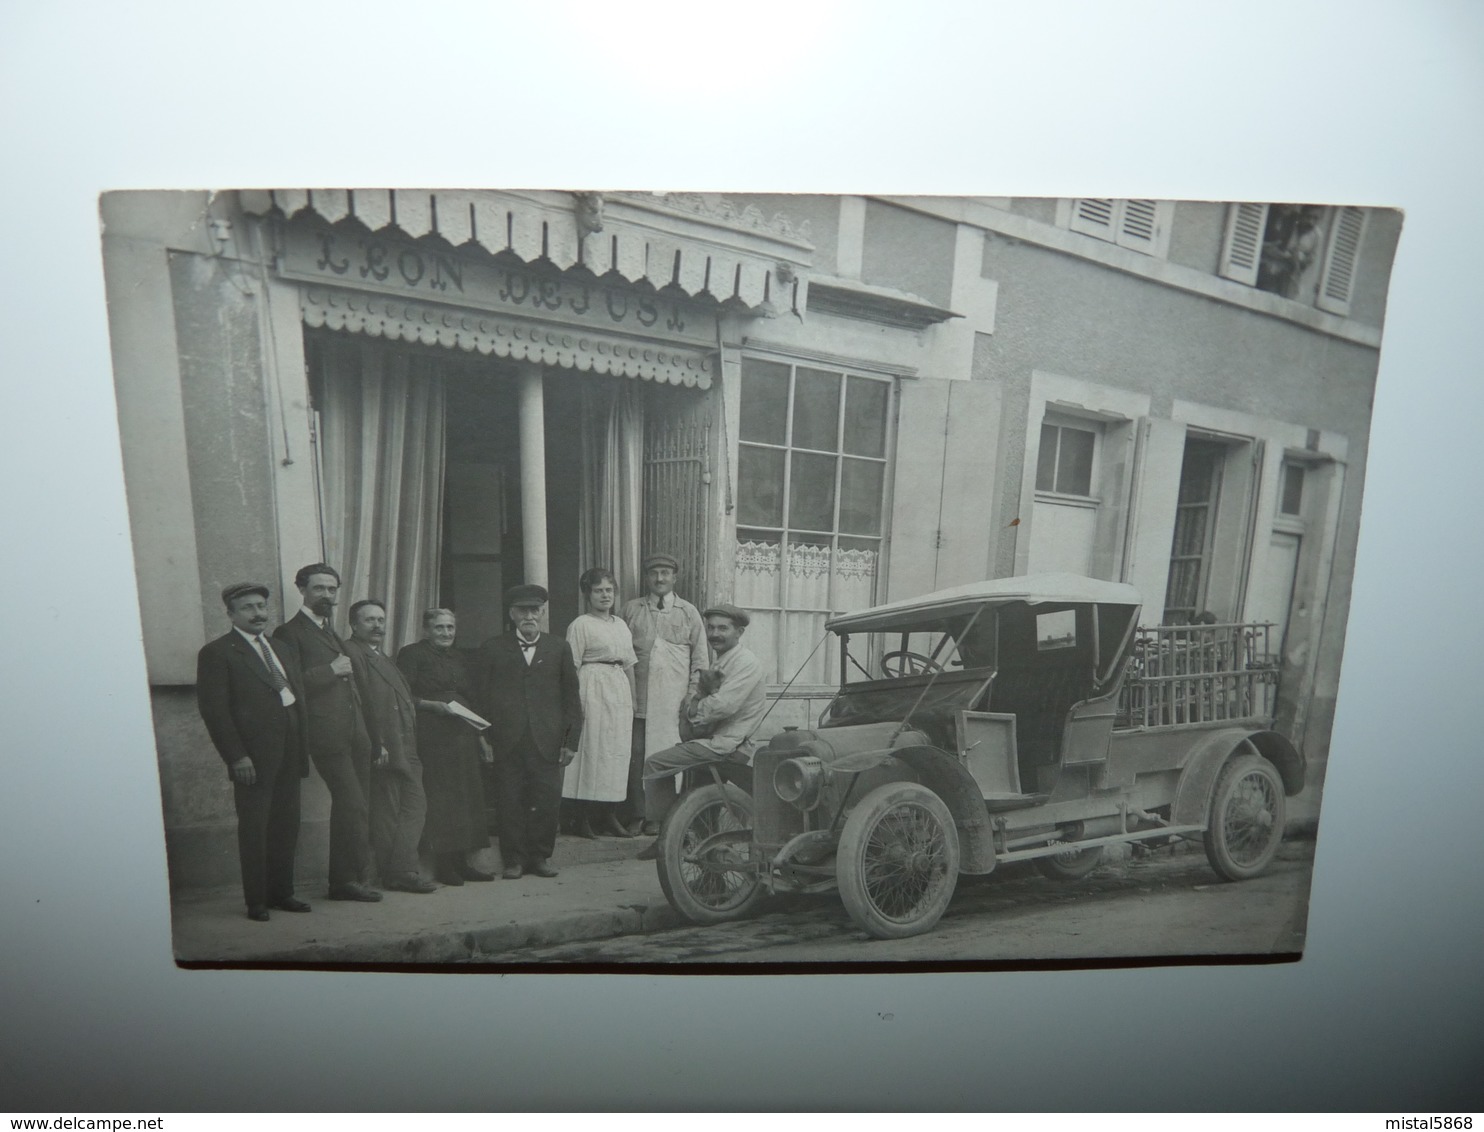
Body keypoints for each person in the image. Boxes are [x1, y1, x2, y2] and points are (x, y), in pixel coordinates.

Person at [196, 582, 311, 922]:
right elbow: (215, 711)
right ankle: (257, 901)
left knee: (286, 824)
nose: (258, 613)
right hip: (253, 757)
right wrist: (237, 756)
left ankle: (282, 892)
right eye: (248, 607)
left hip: (290, 751)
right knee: (255, 826)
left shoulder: (281, 648)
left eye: (261, 606)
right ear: (230, 614)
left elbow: (295, 698)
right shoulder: (219, 652)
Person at [272, 563, 380, 902]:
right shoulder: (289, 633)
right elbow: (286, 687)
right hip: (326, 735)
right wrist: (329, 671)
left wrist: (372, 736)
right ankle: (346, 881)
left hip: (355, 733)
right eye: (319, 588)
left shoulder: (331, 632)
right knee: (352, 803)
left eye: (332, 589)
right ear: (302, 589)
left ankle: (345, 880)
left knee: (355, 805)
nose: (327, 595)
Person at [636, 604, 766, 861]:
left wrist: (692, 710)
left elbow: (723, 705)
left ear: (739, 632)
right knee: (703, 808)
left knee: (656, 764)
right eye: (711, 628)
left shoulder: (745, 662)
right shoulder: (723, 659)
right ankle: (708, 871)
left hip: (727, 744)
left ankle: (670, 833)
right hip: (712, 739)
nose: (715, 634)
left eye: (723, 628)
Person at [477, 584, 583, 880]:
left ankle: (540, 857)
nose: (529, 616)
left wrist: (569, 742)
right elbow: (481, 699)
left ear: (542, 613)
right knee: (509, 800)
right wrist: (483, 738)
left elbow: (571, 699)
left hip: (547, 740)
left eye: (534, 610)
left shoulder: (559, 647)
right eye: (522, 610)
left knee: (546, 800)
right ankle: (514, 860)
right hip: (506, 740)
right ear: (511, 614)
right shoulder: (492, 648)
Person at [396, 608, 495, 886]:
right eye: (439, 628)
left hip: (462, 734)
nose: (446, 633)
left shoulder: (459, 657)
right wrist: (433, 706)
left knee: (466, 796)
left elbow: (471, 699)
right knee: (442, 797)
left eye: (450, 628)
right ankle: (443, 864)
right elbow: (402, 694)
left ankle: (463, 862)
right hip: (432, 734)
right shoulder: (412, 654)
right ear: (426, 630)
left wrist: (481, 738)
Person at [344, 599, 436, 895]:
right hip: (383, 744)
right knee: (388, 809)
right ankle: (400, 871)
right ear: (354, 625)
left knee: (411, 805)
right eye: (369, 620)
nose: (377, 626)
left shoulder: (381, 655)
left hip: (405, 742)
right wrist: (376, 743)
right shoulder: (353, 653)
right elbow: (359, 702)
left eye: (381, 620)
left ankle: (398, 869)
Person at [620, 552, 707, 835]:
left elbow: (700, 660)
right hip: (639, 698)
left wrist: (691, 696)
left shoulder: (688, 612)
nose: (660, 578)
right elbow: (621, 653)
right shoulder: (631, 610)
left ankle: (665, 815)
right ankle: (637, 813)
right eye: (654, 573)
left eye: (665, 573)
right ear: (647, 577)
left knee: (667, 755)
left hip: (673, 700)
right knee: (637, 754)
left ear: (674, 577)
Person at [562, 568, 639, 839]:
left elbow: (629, 664)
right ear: (587, 595)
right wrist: (574, 706)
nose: (605, 595)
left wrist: (633, 699)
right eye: (598, 591)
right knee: (591, 749)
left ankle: (609, 816)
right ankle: (582, 818)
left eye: (609, 590)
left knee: (616, 754)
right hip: (591, 688)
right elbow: (570, 668)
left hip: (617, 690)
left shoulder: (620, 624)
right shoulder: (581, 624)